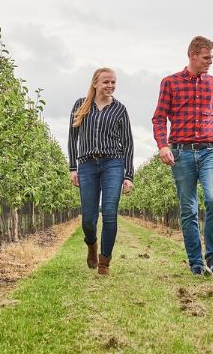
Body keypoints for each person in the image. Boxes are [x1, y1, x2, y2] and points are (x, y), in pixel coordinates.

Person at [151, 36, 213, 277]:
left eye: (211, 57)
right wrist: (163, 145)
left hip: (211, 151)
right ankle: (196, 263)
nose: (210, 61)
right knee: (188, 208)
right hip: (181, 153)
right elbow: (159, 118)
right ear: (192, 55)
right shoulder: (170, 83)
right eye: (206, 57)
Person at [68, 67, 134, 275]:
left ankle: (104, 261)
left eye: (113, 82)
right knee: (88, 217)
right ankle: (91, 244)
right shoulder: (81, 105)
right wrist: (72, 167)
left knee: (109, 213)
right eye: (106, 82)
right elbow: (72, 138)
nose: (111, 86)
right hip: (87, 165)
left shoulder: (120, 110)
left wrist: (128, 175)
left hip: (113, 164)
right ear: (95, 83)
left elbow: (128, 143)